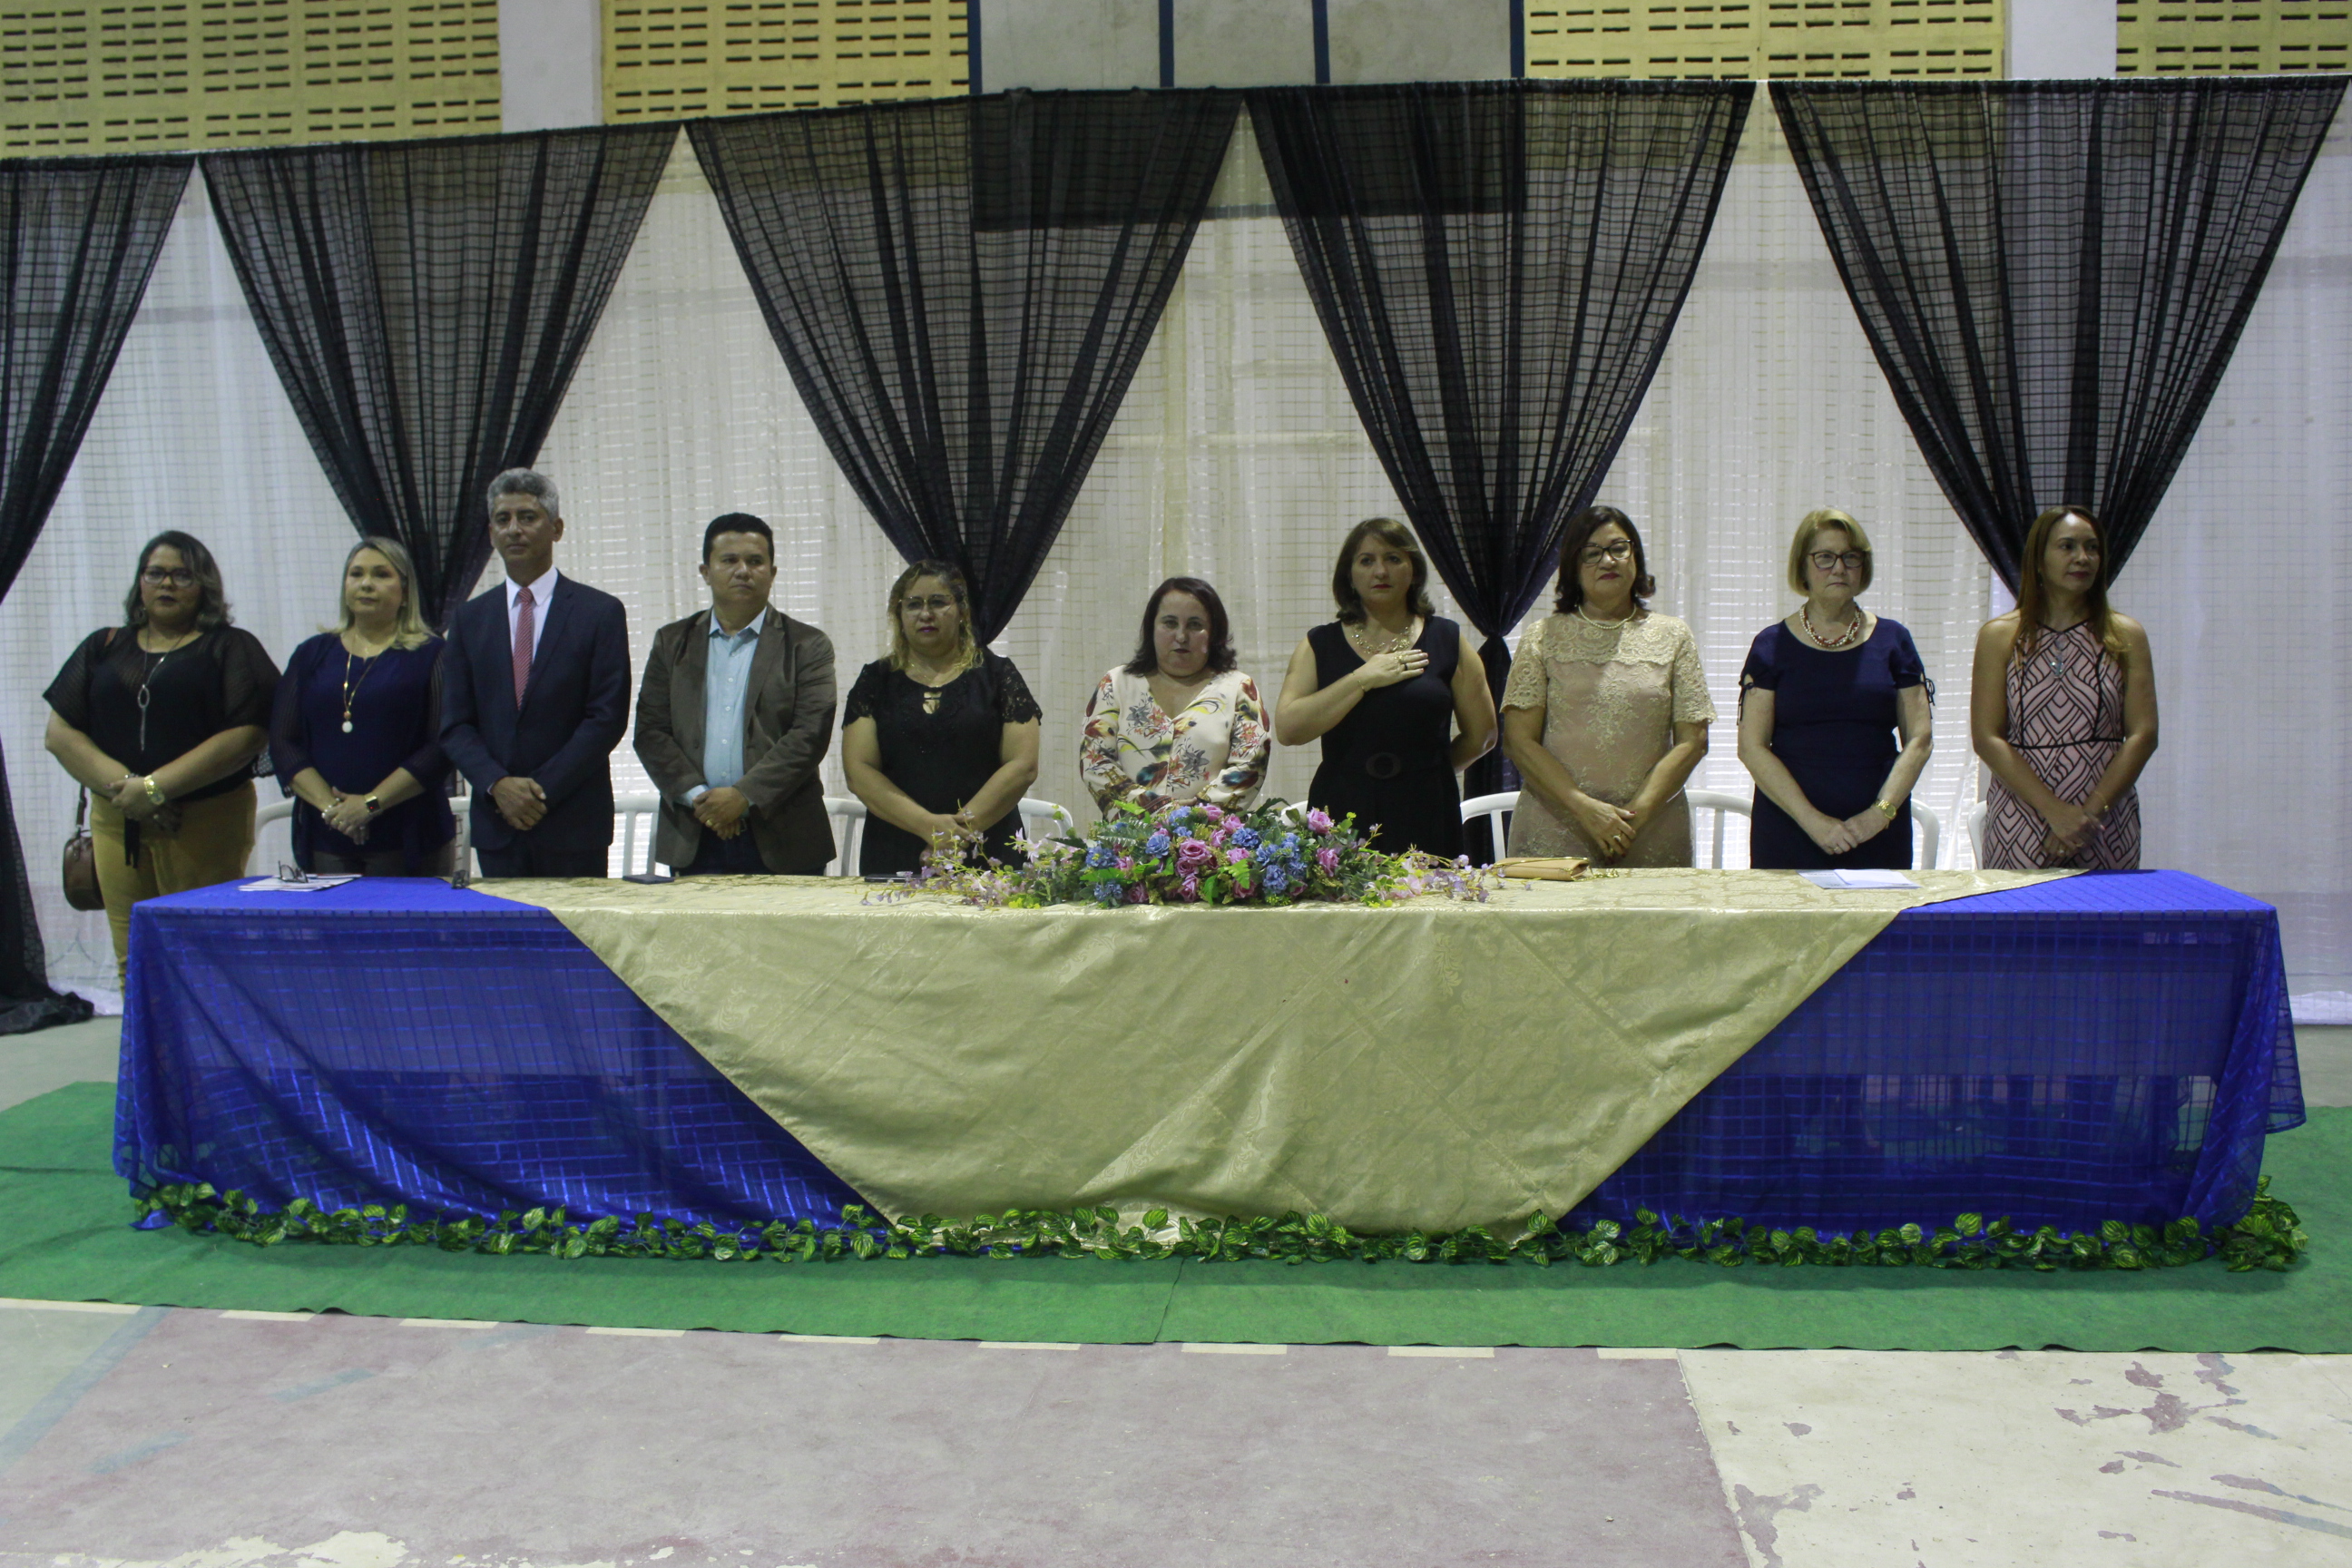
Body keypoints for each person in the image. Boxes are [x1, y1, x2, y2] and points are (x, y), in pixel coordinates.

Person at [43, 533, 278, 979]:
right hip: (118, 821)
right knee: (134, 954)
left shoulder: (230, 647)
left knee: (201, 951)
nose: (166, 584)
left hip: (204, 820)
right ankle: (141, 1031)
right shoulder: (104, 646)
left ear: (205, 585)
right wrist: (134, 791)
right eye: (156, 573)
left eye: (182, 575)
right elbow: (60, 734)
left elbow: (248, 734)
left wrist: (155, 789)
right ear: (140, 583)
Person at [440, 469, 630, 878]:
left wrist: (539, 791)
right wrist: (499, 785)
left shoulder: (599, 613)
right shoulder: (469, 619)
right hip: (498, 822)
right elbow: (455, 725)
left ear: (556, 529)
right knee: (502, 924)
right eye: (503, 519)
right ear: (491, 533)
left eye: (527, 517)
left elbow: (606, 718)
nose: (514, 529)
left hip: (572, 821)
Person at [1500, 506, 1712, 866]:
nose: (1607, 561)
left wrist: (1631, 820)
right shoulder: (1542, 637)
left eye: (1618, 548)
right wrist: (1586, 810)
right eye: (1592, 553)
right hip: (1556, 826)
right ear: (1573, 565)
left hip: (1651, 828)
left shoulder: (1674, 635)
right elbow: (1519, 741)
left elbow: (1693, 741)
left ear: (1635, 557)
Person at [1274, 518, 1494, 856]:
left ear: (1413, 570)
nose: (1380, 571)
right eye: (1366, 561)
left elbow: (1483, 736)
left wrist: (1430, 773)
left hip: (1426, 808)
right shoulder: (1319, 643)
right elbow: (1289, 729)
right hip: (1342, 808)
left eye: (1393, 558)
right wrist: (1363, 678)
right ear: (1349, 575)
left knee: (1430, 892)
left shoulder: (1447, 638)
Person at [635, 514, 838, 876]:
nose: (743, 571)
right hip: (694, 832)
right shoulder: (671, 642)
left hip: (785, 837)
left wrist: (743, 797)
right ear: (705, 571)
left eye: (755, 561)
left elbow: (810, 735)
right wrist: (703, 801)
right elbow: (651, 732)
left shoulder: (807, 645)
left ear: (772, 573)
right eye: (729, 560)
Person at [1738, 508, 1933, 871]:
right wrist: (1813, 822)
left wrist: (1880, 814)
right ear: (1803, 567)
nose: (1839, 568)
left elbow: (1919, 740)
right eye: (1825, 557)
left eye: (1850, 557)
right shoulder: (1770, 645)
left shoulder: (1895, 640)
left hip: (1877, 832)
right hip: (1790, 829)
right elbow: (1751, 747)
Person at [1971, 505, 2157, 870]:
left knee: (2106, 909)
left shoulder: (2125, 635)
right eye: (2067, 546)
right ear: (2038, 561)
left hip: (2103, 820)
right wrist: (2054, 811)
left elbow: (2143, 735)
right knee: (2021, 907)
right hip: (2022, 816)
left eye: (2092, 548)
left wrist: (2087, 816)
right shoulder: (2000, 636)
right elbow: (1987, 737)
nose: (2082, 558)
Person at [270, 536, 456, 876]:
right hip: (328, 833)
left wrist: (369, 805)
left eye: (381, 574)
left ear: (405, 592)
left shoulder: (432, 654)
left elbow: (442, 745)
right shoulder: (312, 654)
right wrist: (336, 810)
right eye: (356, 574)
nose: (366, 584)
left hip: (410, 834)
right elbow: (283, 742)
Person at [842, 560, 1041, 874]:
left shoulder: (998, 675)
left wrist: (957, 835)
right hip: (896, 845)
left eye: (938, 602)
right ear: (898, 614)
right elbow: (859, 770)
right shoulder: (875, 680)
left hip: (988, 849)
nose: (925, 614)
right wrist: (928, 826)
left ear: (962, 610)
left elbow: (1023, 765)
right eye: (913, 604)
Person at [1081, 576, 1269, 817]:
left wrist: (1192, 818)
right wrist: (1156, 812)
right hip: (1128, 834)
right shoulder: (1116, 684)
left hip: (1211, 834)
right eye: (1170, 623)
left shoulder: (1239, 689)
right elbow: (1095, 762)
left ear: (1214, 633)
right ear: (1151, 628)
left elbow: (1250, 765)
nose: (1181, 636)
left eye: (1195, 625)